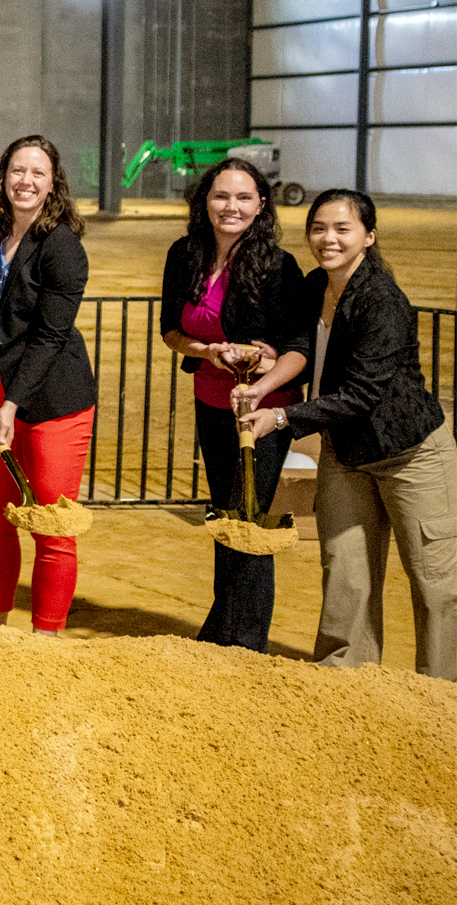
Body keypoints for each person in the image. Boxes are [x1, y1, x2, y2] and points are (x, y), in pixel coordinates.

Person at [240, 190, 455, 681]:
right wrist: (266, 381)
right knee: (345, 574)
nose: (328, 239)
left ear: (368, 236)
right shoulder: (317, 283)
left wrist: (282, 417)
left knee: (436, 582)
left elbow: (362, 395)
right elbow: (300, 343)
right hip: (347, 450)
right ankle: (344, 683)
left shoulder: (382, 300)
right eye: (319, 228)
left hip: (411, 454)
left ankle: (443, 693)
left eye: (342, 229)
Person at [0, 137, 96, 636]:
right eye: (17, 170)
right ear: (2, 175)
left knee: (52, 524)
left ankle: (45, 640)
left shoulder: (62, 245)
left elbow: (50, 335)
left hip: (51, 398)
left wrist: (13, 402)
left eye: (38, 173)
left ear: (53, 184)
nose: (25, 181)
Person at [158, 156, 308, 654]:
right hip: (210, 400)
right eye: (222, 196)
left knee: (251, 521)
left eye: (244, 197)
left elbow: (295, 348)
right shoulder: (185, 255)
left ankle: (244, 644)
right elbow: (172, 333)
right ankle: (222, 633)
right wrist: (208, 352)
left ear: (261, 205)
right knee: (226, 516)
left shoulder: (278, 265)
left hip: (263, 412)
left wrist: (259, 372)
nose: (232, 206)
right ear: (205, 201)